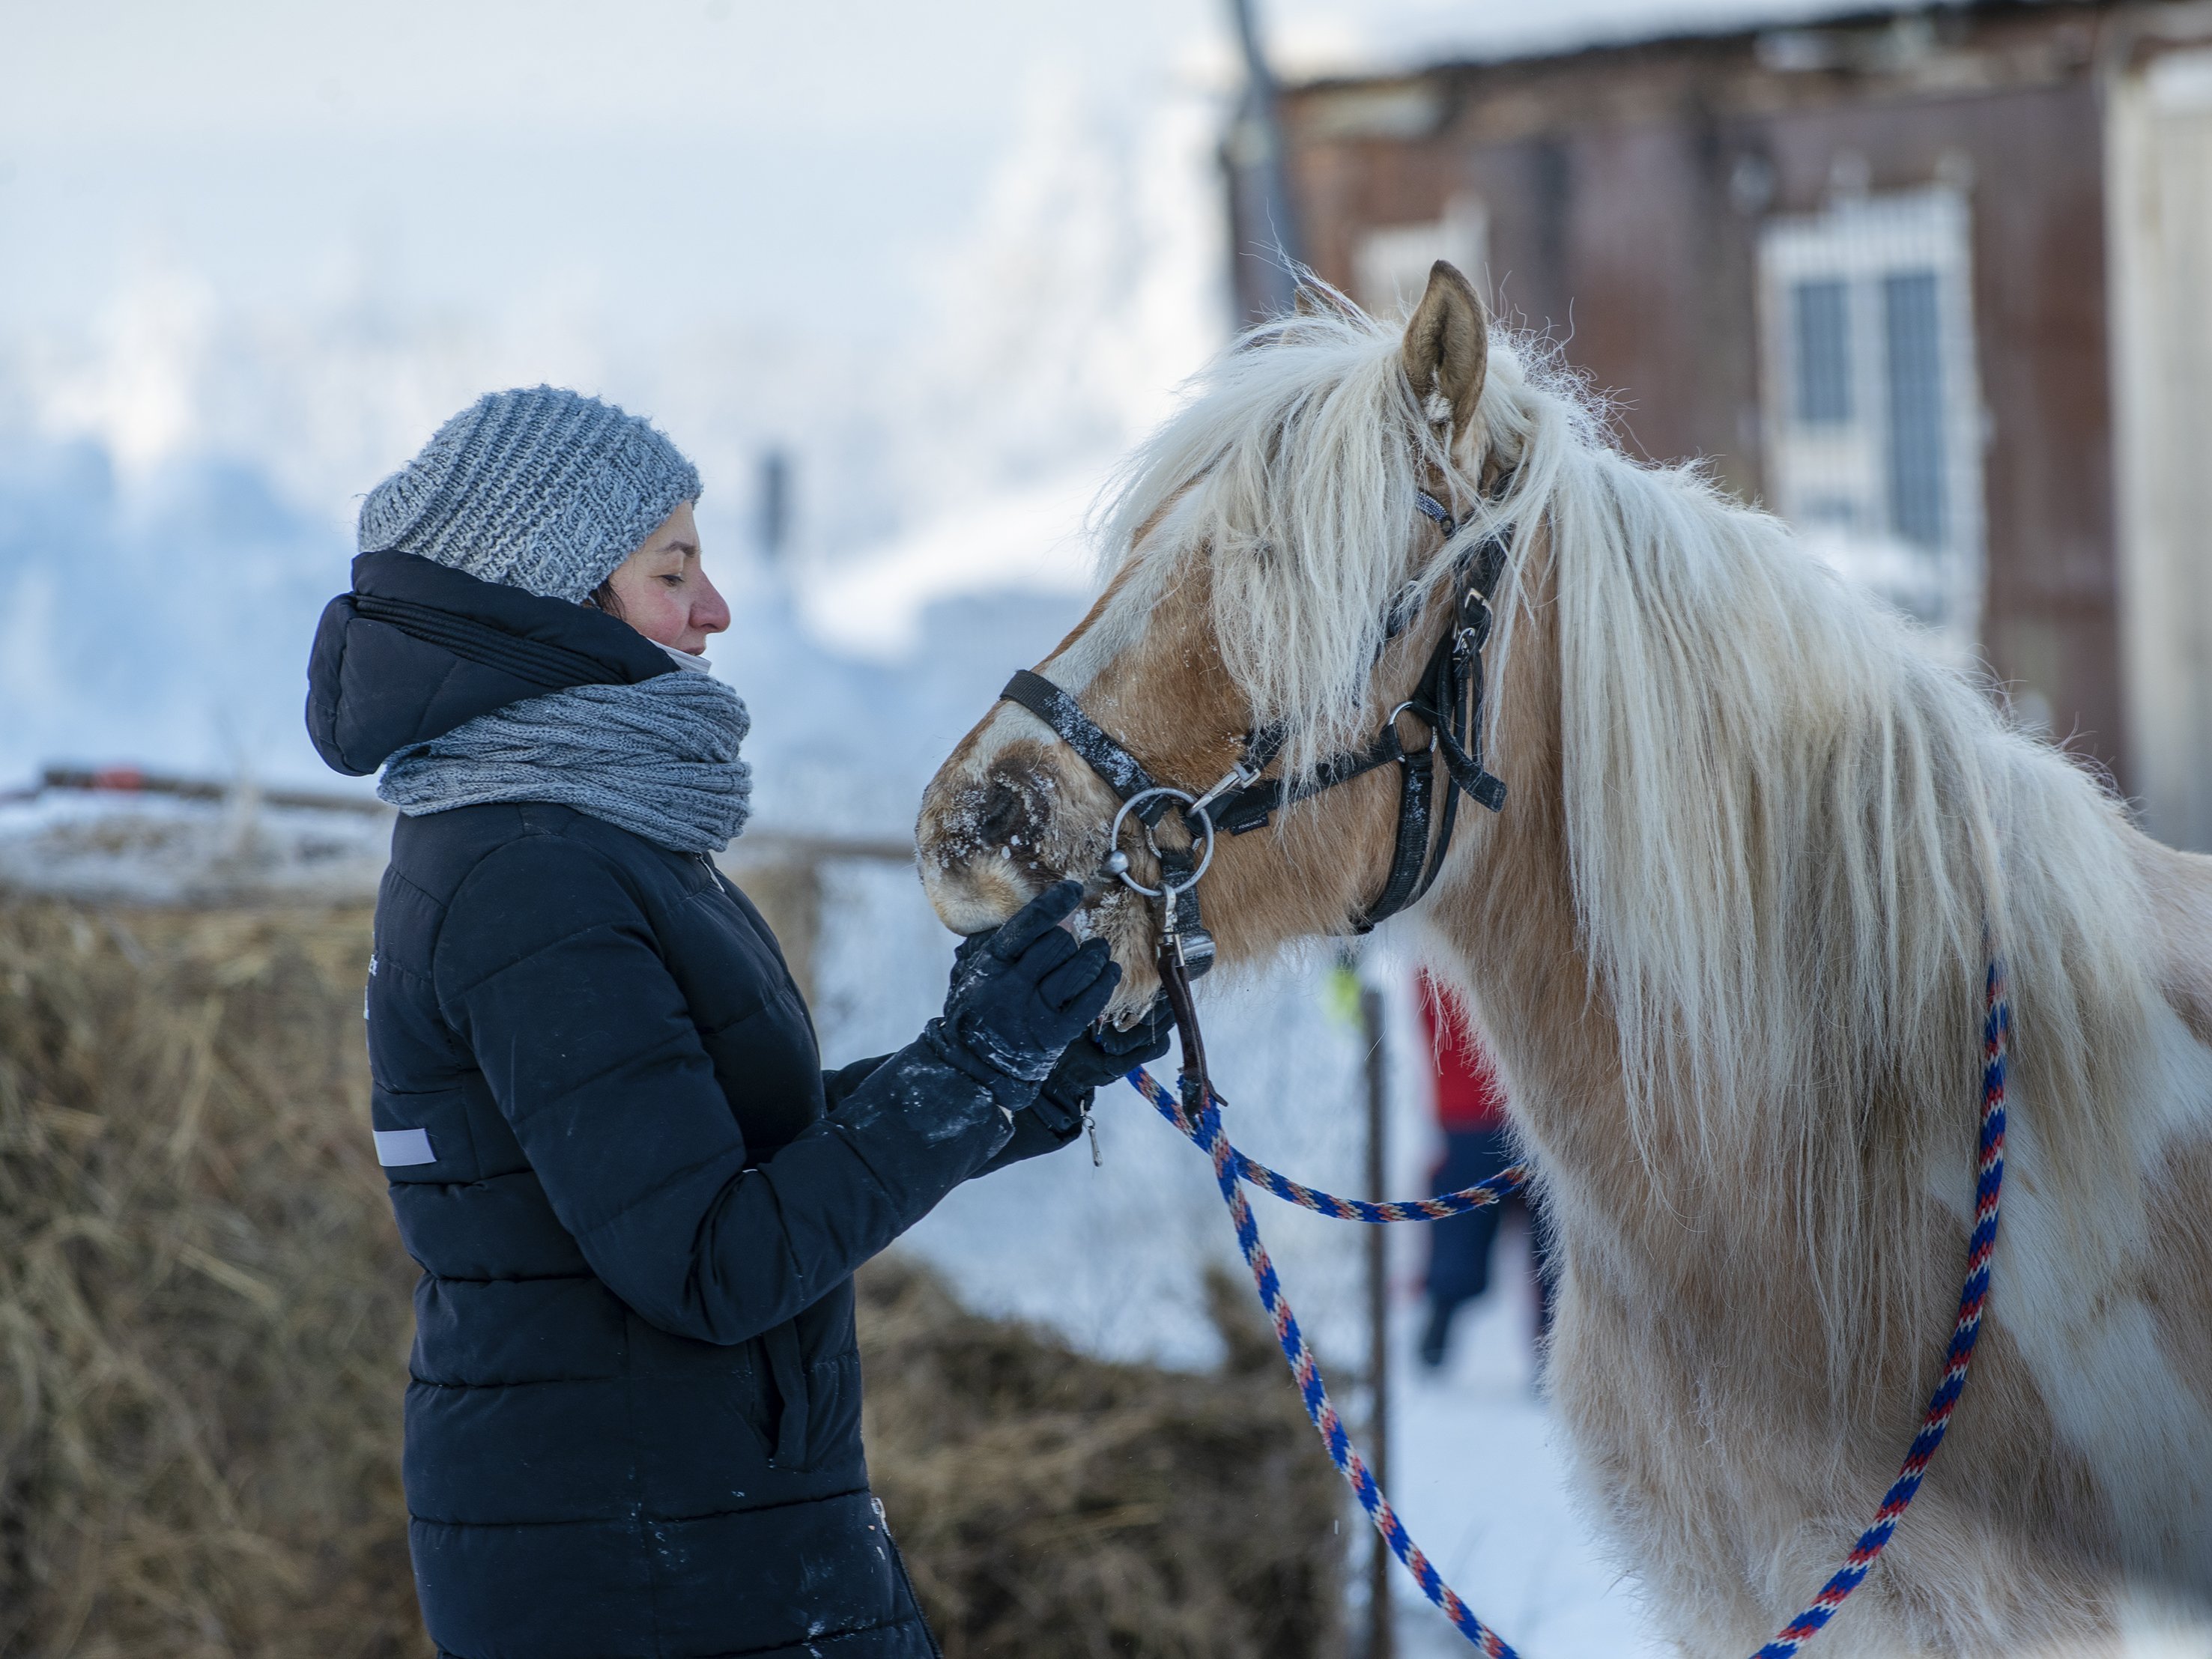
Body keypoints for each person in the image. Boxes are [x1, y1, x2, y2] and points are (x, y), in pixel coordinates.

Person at [304, 386, 1169, 1659]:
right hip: (640, 1568)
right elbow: (713, 1261)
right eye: (673, 570)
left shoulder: (581, 835)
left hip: (701, 1527)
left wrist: (1021, 1072)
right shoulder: (525, 877)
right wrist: (971, 1069)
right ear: (558, 594)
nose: (714, 610)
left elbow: (728, 1152)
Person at [1414, 970, 1553, 1370]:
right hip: (1509, 1112)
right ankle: (1546, 1351)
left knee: (1461, 1230)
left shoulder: (1433, 960)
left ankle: (1439, 1330)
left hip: (1474, 1115)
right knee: (1549, 1242)